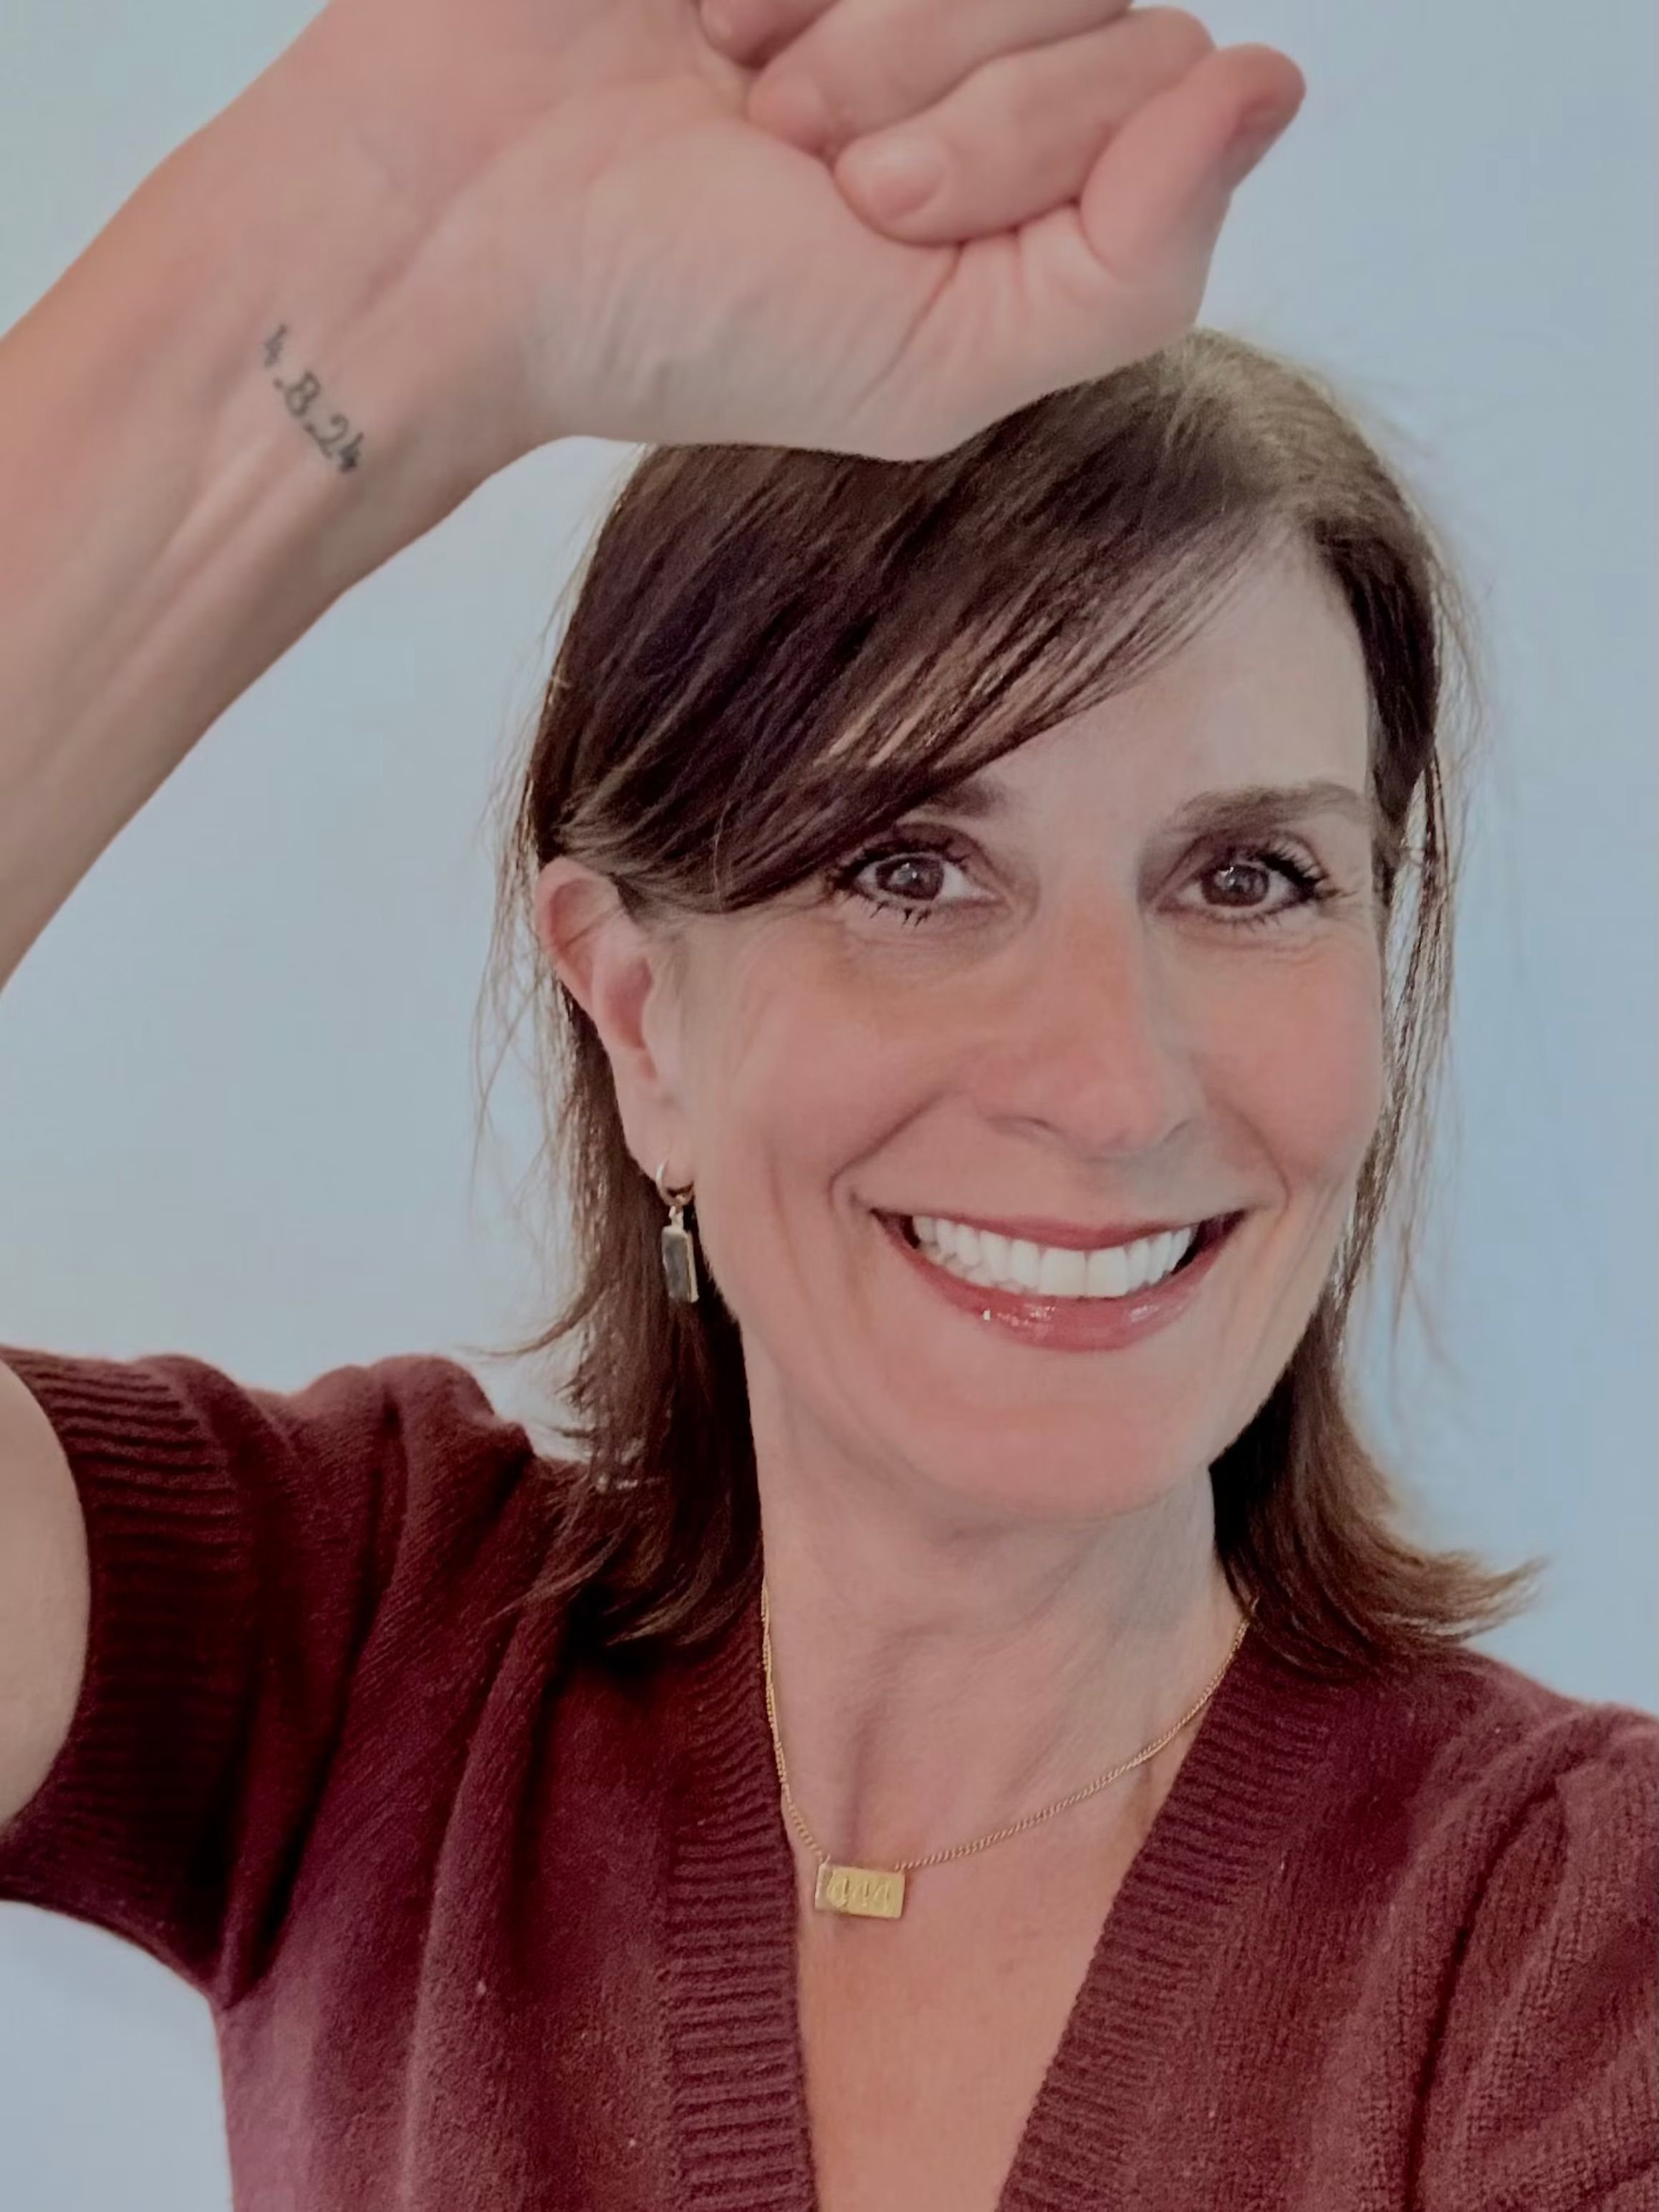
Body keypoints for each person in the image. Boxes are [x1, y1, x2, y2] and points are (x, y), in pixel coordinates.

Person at [0, 1, 1653, 2208]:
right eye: (906, 868)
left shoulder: (1574, 1950)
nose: (1107, 1078)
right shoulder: (355, 1657)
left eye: (1250, 877)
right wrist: (371, 265)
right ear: (641, 1022)